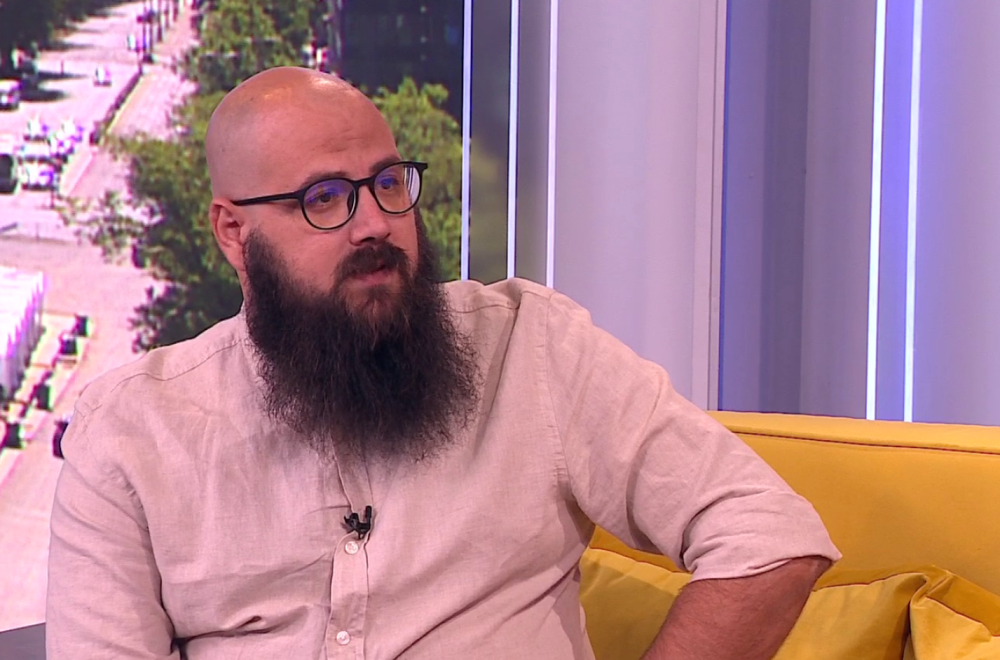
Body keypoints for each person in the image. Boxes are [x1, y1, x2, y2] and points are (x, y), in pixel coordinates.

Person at [46, 66, 840, 659]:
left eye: (389, 185)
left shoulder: (532, 348)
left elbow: (768, 535)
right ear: (233, 232)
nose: (375, 225)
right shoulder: (132, 432)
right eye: (325, 198)